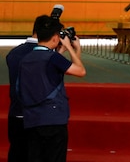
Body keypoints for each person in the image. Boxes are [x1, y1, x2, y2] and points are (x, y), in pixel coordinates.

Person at [17, 15, 86, 162]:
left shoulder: (26, 59)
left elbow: (51, 68)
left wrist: (61, 51)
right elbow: (80, 71)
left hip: (32, 119)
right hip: (53, 119)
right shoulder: (53, 59)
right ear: (55, 38)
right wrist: (71, 47)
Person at [5, 18, 39, 162]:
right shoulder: (44, 55)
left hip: (16, 112)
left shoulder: (14, 53)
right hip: (36, 116)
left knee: (16, 152)